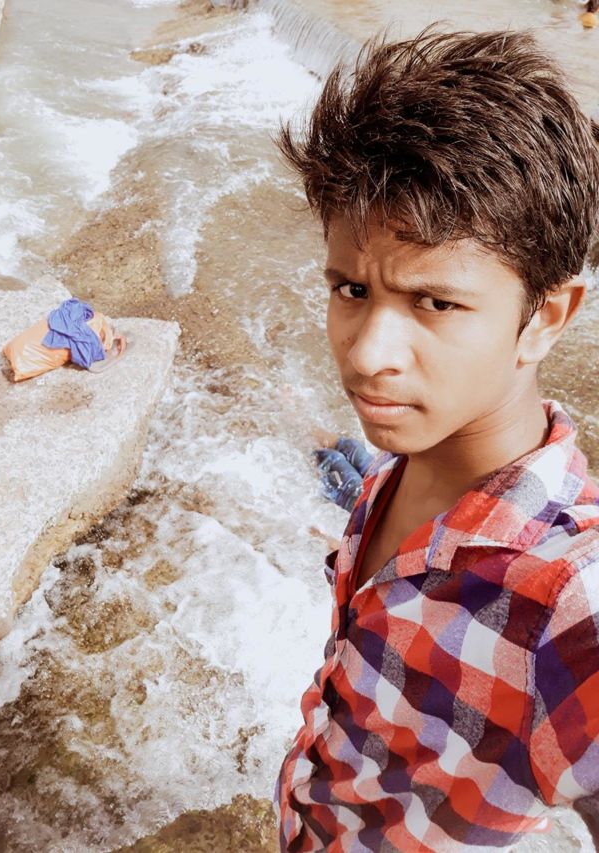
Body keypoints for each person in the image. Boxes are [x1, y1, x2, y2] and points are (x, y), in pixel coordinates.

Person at [274, 27, 599, 852]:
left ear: (546, 318)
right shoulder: (414, 450)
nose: (366, 355)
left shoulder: (561, 597)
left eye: (435, 303)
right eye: (352, 289)